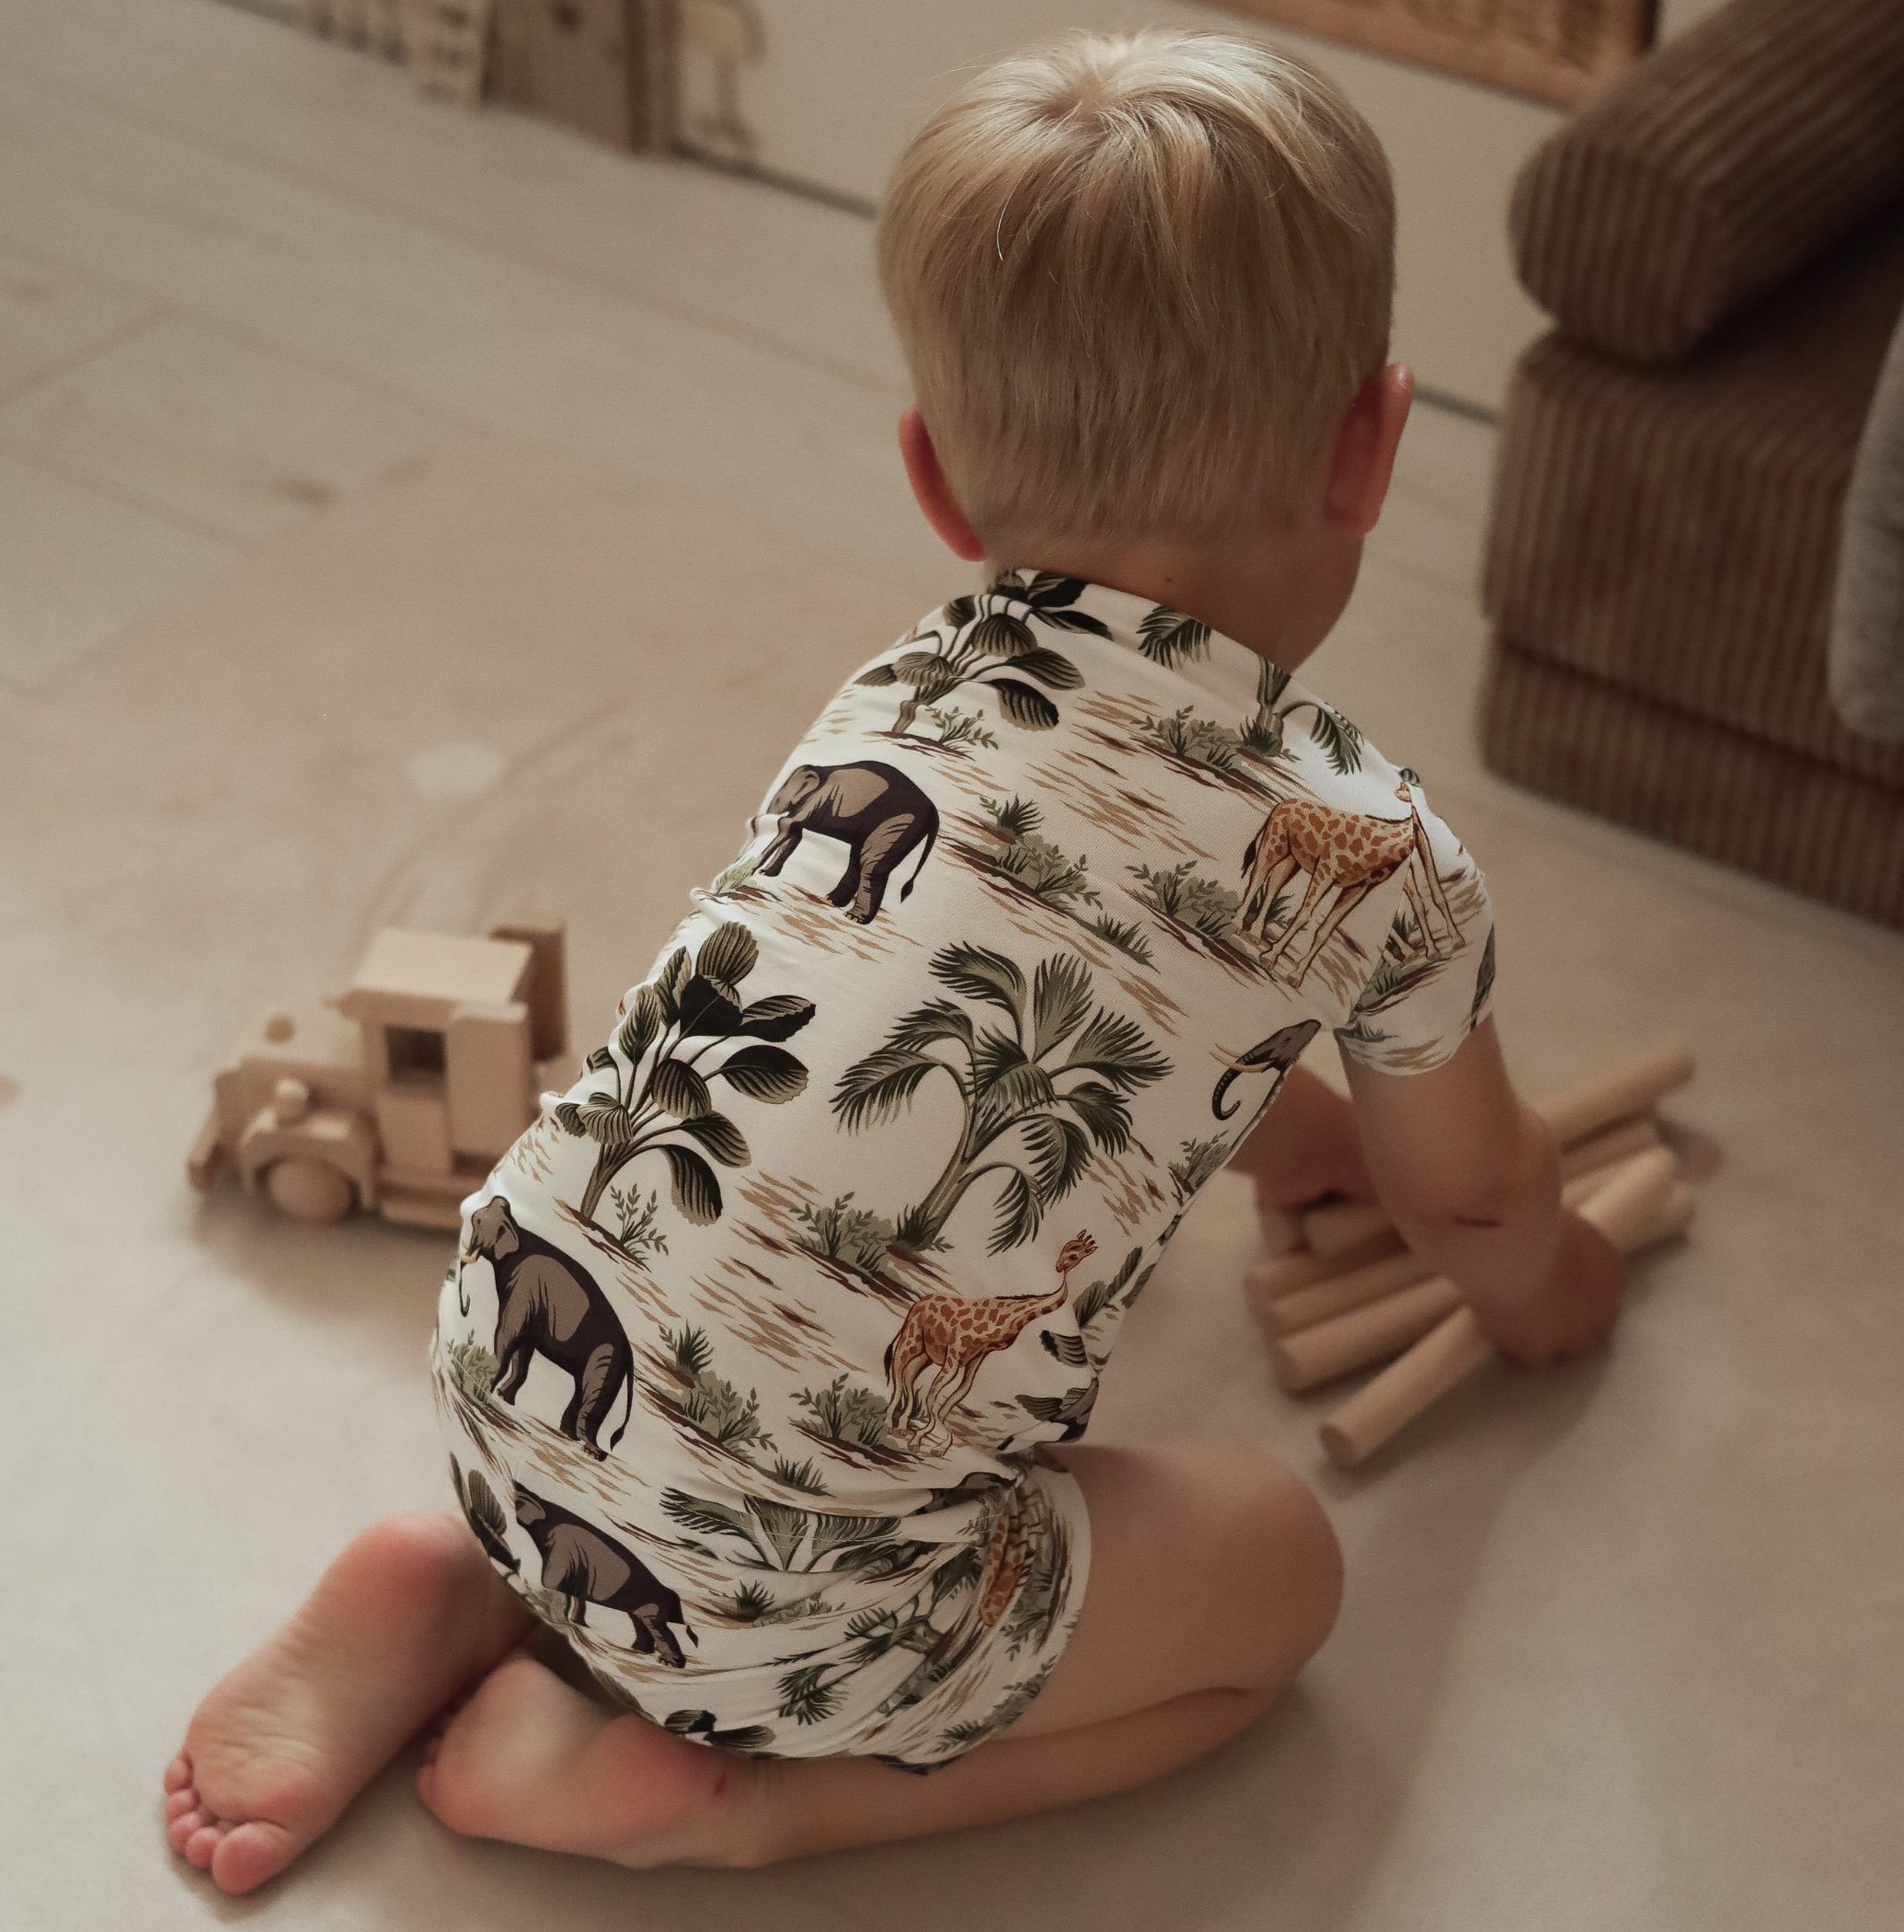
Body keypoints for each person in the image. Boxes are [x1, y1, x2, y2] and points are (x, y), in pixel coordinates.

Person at [164, 27, 1624, 1893]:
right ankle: (744, 1801)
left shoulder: (912, 690)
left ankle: (466, 1572)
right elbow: (1475, 1200)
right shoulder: (1381, 863)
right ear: (1375, 444)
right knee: (1281, 1586)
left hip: (502, 1364)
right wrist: (1549, 1285)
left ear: (935, 478)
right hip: (807, 1615)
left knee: (700, 1397)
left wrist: (1305, 1141)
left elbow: (1103, 985)